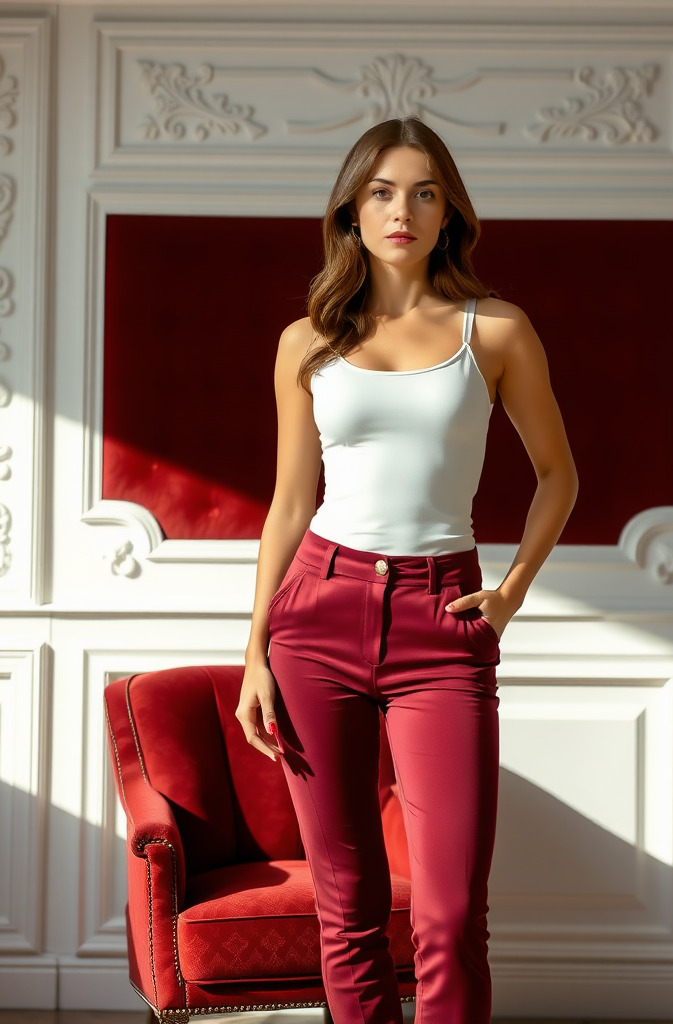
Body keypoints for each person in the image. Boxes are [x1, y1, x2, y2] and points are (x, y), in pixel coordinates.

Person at [236, 116, 578, 1024]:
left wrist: (506, 597)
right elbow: (288, 505)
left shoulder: (494, 331)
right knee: (345, 909)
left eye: (425, 192)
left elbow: (559, 477)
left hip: (443, 618)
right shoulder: (304, 342)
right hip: (316, 616)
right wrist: (253, 652)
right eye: (383, 192)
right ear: (351, 211)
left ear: (448, 212)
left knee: (451, 912)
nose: (403, 209)